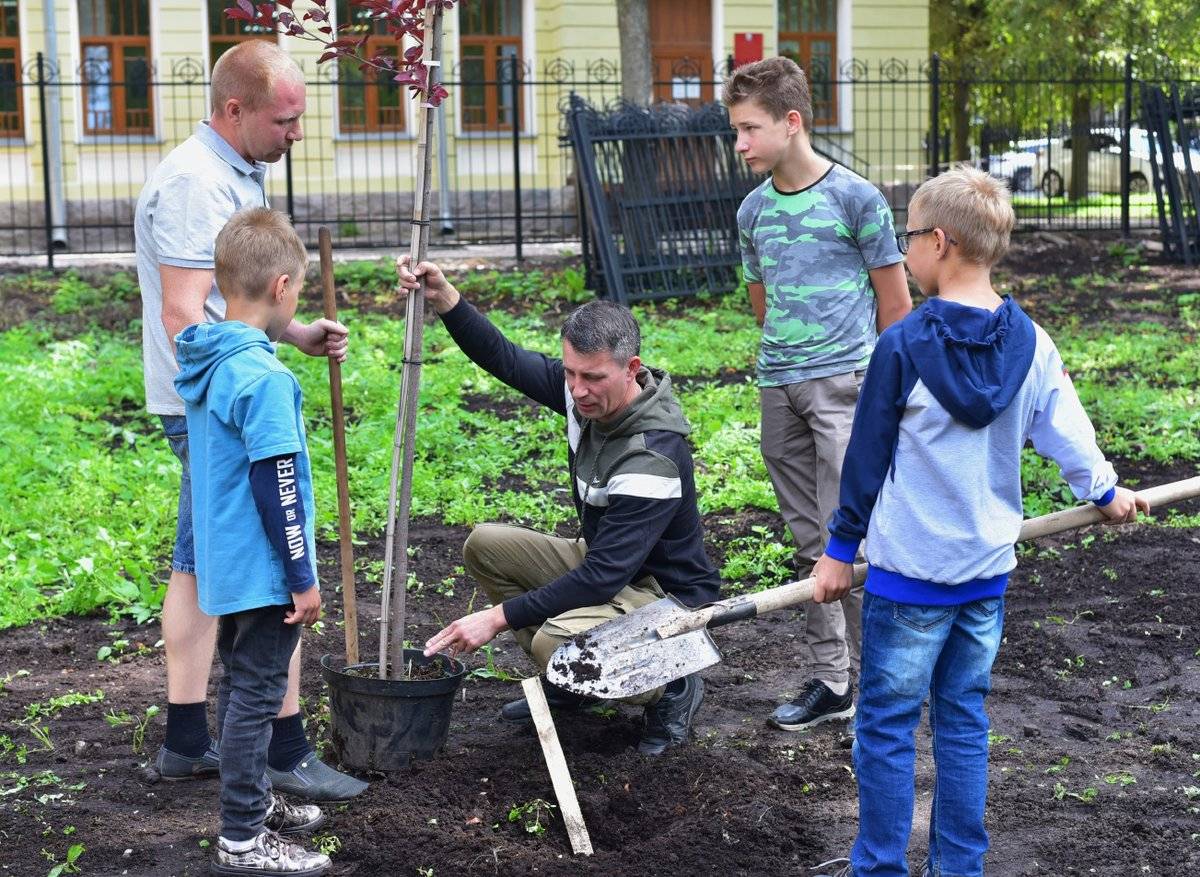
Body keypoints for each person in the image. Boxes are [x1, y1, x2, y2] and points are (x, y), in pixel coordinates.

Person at [808, 166, 1149, 877]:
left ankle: (877, 866)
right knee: (962, 721)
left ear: (940, 241)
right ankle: (959, 866)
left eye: (908, 238)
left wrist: (840, 549)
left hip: (909, 580)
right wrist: (1106, 489)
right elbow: (1068, 431)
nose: (903, 253)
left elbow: (865, 457)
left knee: (887, 727)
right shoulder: (1031, 342)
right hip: (985, 576)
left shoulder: (902, 346)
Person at [134, 40, 365, 801]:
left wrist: (292, 334)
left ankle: (187, 740)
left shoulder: (238, 170)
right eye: (285, 119)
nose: (296, 133)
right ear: (235, 110)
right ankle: (283, 748)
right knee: (264, 565)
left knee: (199, 560)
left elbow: (226, 306)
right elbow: (181, 312)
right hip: (209, 410)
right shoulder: (197, 185)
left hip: (215, 399)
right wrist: (233, 397)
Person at [395, 257, 721, 756]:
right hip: (612, 571)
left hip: (664, 596)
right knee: (487, 546)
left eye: (592, 377)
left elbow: (601, 577)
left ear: (632, 369)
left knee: (554, 642)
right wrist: (444, 298)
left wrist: (496, 618)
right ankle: (575, 683)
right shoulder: (586, 397)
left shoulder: (653, 454)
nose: (576, 390)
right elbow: (504, 357)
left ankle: (672, 685)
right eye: (569, 373)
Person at [724, 57, 913, 731]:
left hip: (849, 387)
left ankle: (882, 685)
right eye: (736, 130)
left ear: (792, 122)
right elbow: (762, 304)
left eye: (749, 128)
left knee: (849, 544)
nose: (739, 143)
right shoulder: (752, 210)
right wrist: (788, 364)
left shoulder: (857, 199)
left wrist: (889, 395)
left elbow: (896, 306)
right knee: (811, 545)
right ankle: (834, 681)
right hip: (780, 388)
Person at [174, 207, 338, 875]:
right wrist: (301, 574)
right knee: (255, 694)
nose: (296, 299)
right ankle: (243, 835)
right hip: (265, 570)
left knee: (244, 686)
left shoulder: (209, 361)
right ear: (280, 288)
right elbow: (280, 488)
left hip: (224, 564)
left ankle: (254, 797)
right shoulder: (266, 379)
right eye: (297, 288)